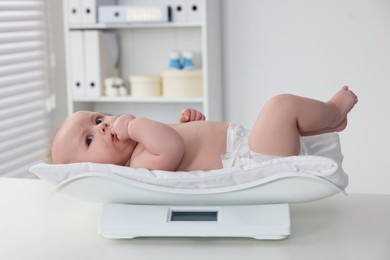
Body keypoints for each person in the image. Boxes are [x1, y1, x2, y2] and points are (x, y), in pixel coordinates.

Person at [50, 86, 358, 171]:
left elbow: (186, 143)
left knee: (285, 122)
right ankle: (332, 112)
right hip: (255, 160)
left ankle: (324, 125)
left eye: (98, 118)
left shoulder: (141, 144)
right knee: (281, 107)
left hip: (249, 146)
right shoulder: (139, 164)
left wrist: (193, 125)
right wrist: (133, 124)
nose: (102, 127)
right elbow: (173, 147)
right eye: (89, 139)